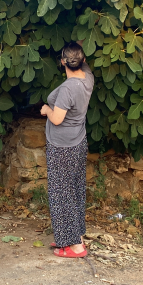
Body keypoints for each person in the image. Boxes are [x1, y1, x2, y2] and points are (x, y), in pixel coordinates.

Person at [40, 42, 94, 258]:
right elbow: (84, 64)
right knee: (74, 189)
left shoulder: (68, 89)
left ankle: (76, 247)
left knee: (62, 194)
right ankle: (71, 236)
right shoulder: (87, 78)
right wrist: (79, 47)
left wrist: (47, 110)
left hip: (62, 147)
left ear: (62, 62)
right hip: (78, 141)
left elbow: (57, 118)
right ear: (82, 60)